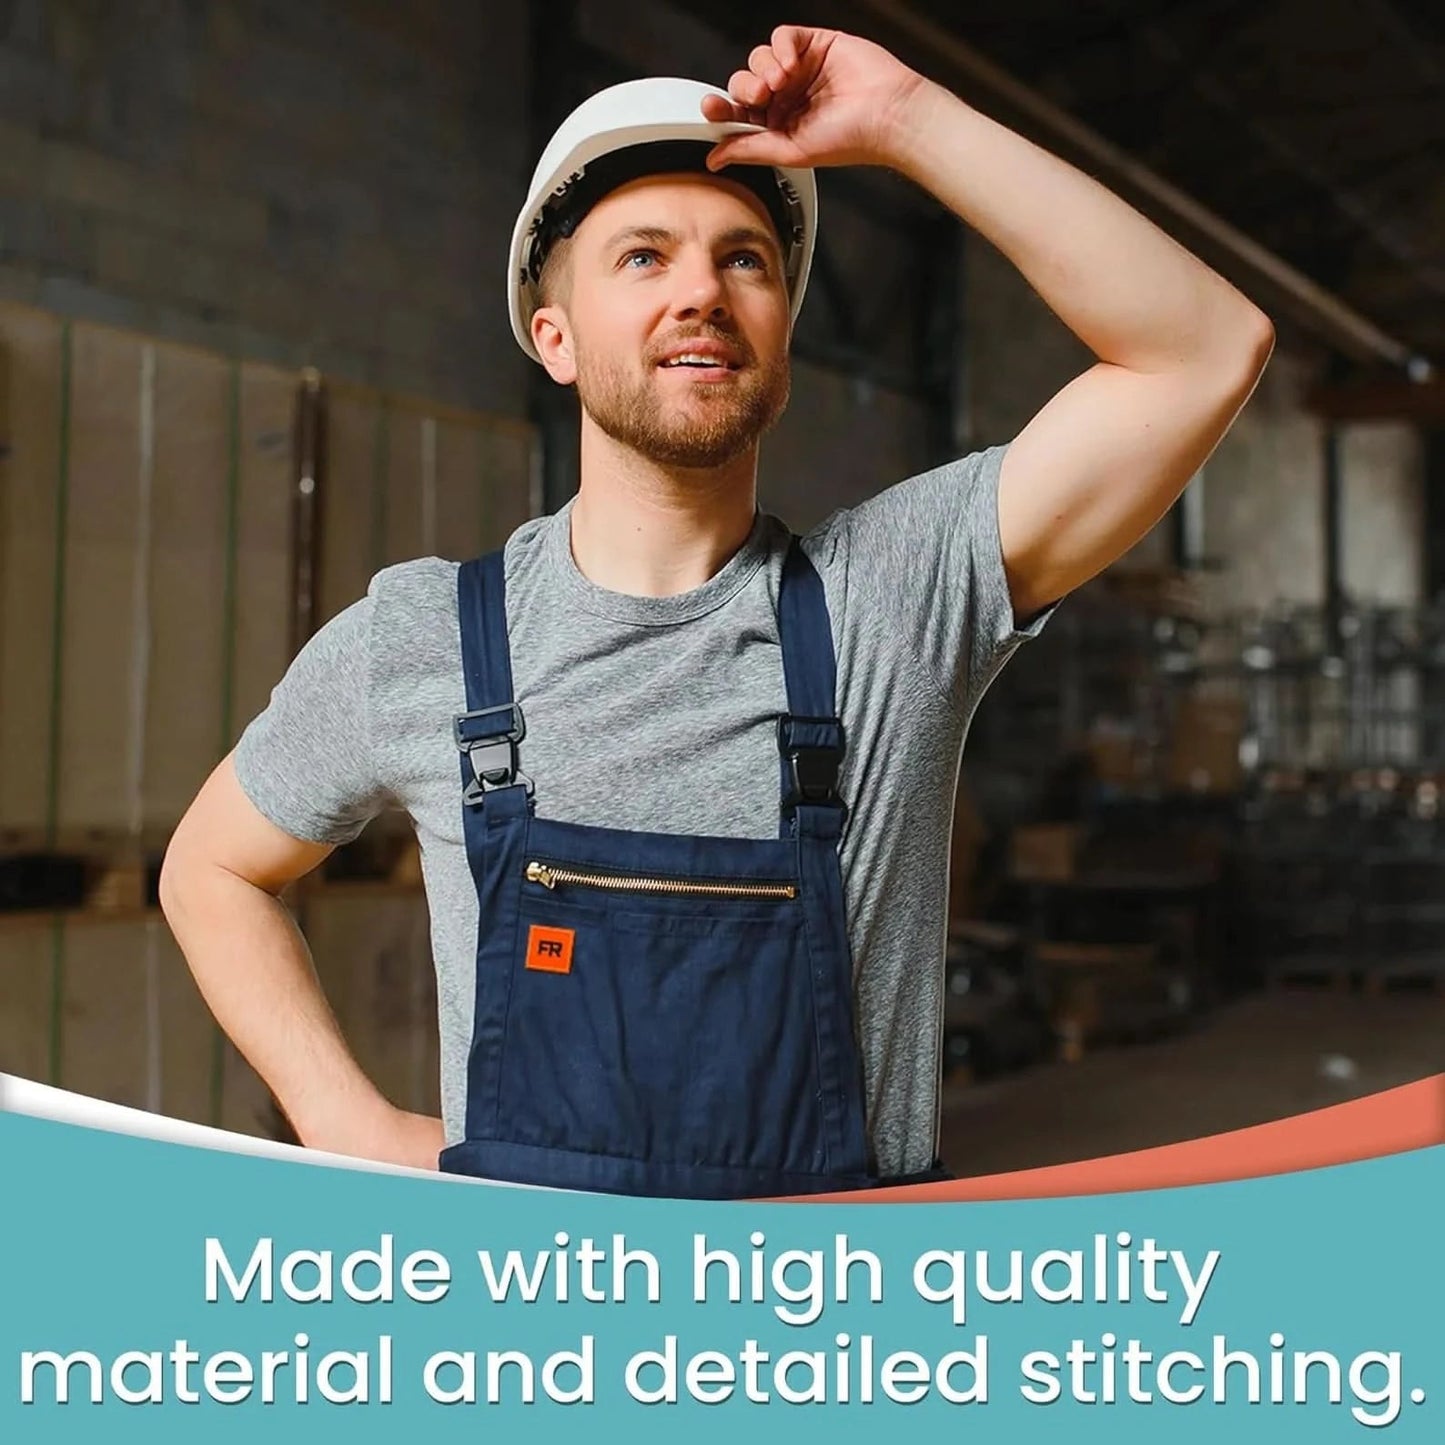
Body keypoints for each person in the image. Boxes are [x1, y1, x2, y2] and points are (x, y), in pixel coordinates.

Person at [159, 25, 1273, 1197]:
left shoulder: (894, 602)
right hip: (532, 1307)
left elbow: (1203, 351)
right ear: (554, 338)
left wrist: (907, 120)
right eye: (642, 256)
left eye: (744, 260)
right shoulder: (428, 639)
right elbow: (209, 869)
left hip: (823, 1307)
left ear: (781, 335)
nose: (700, 290)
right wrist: (341, 1118)